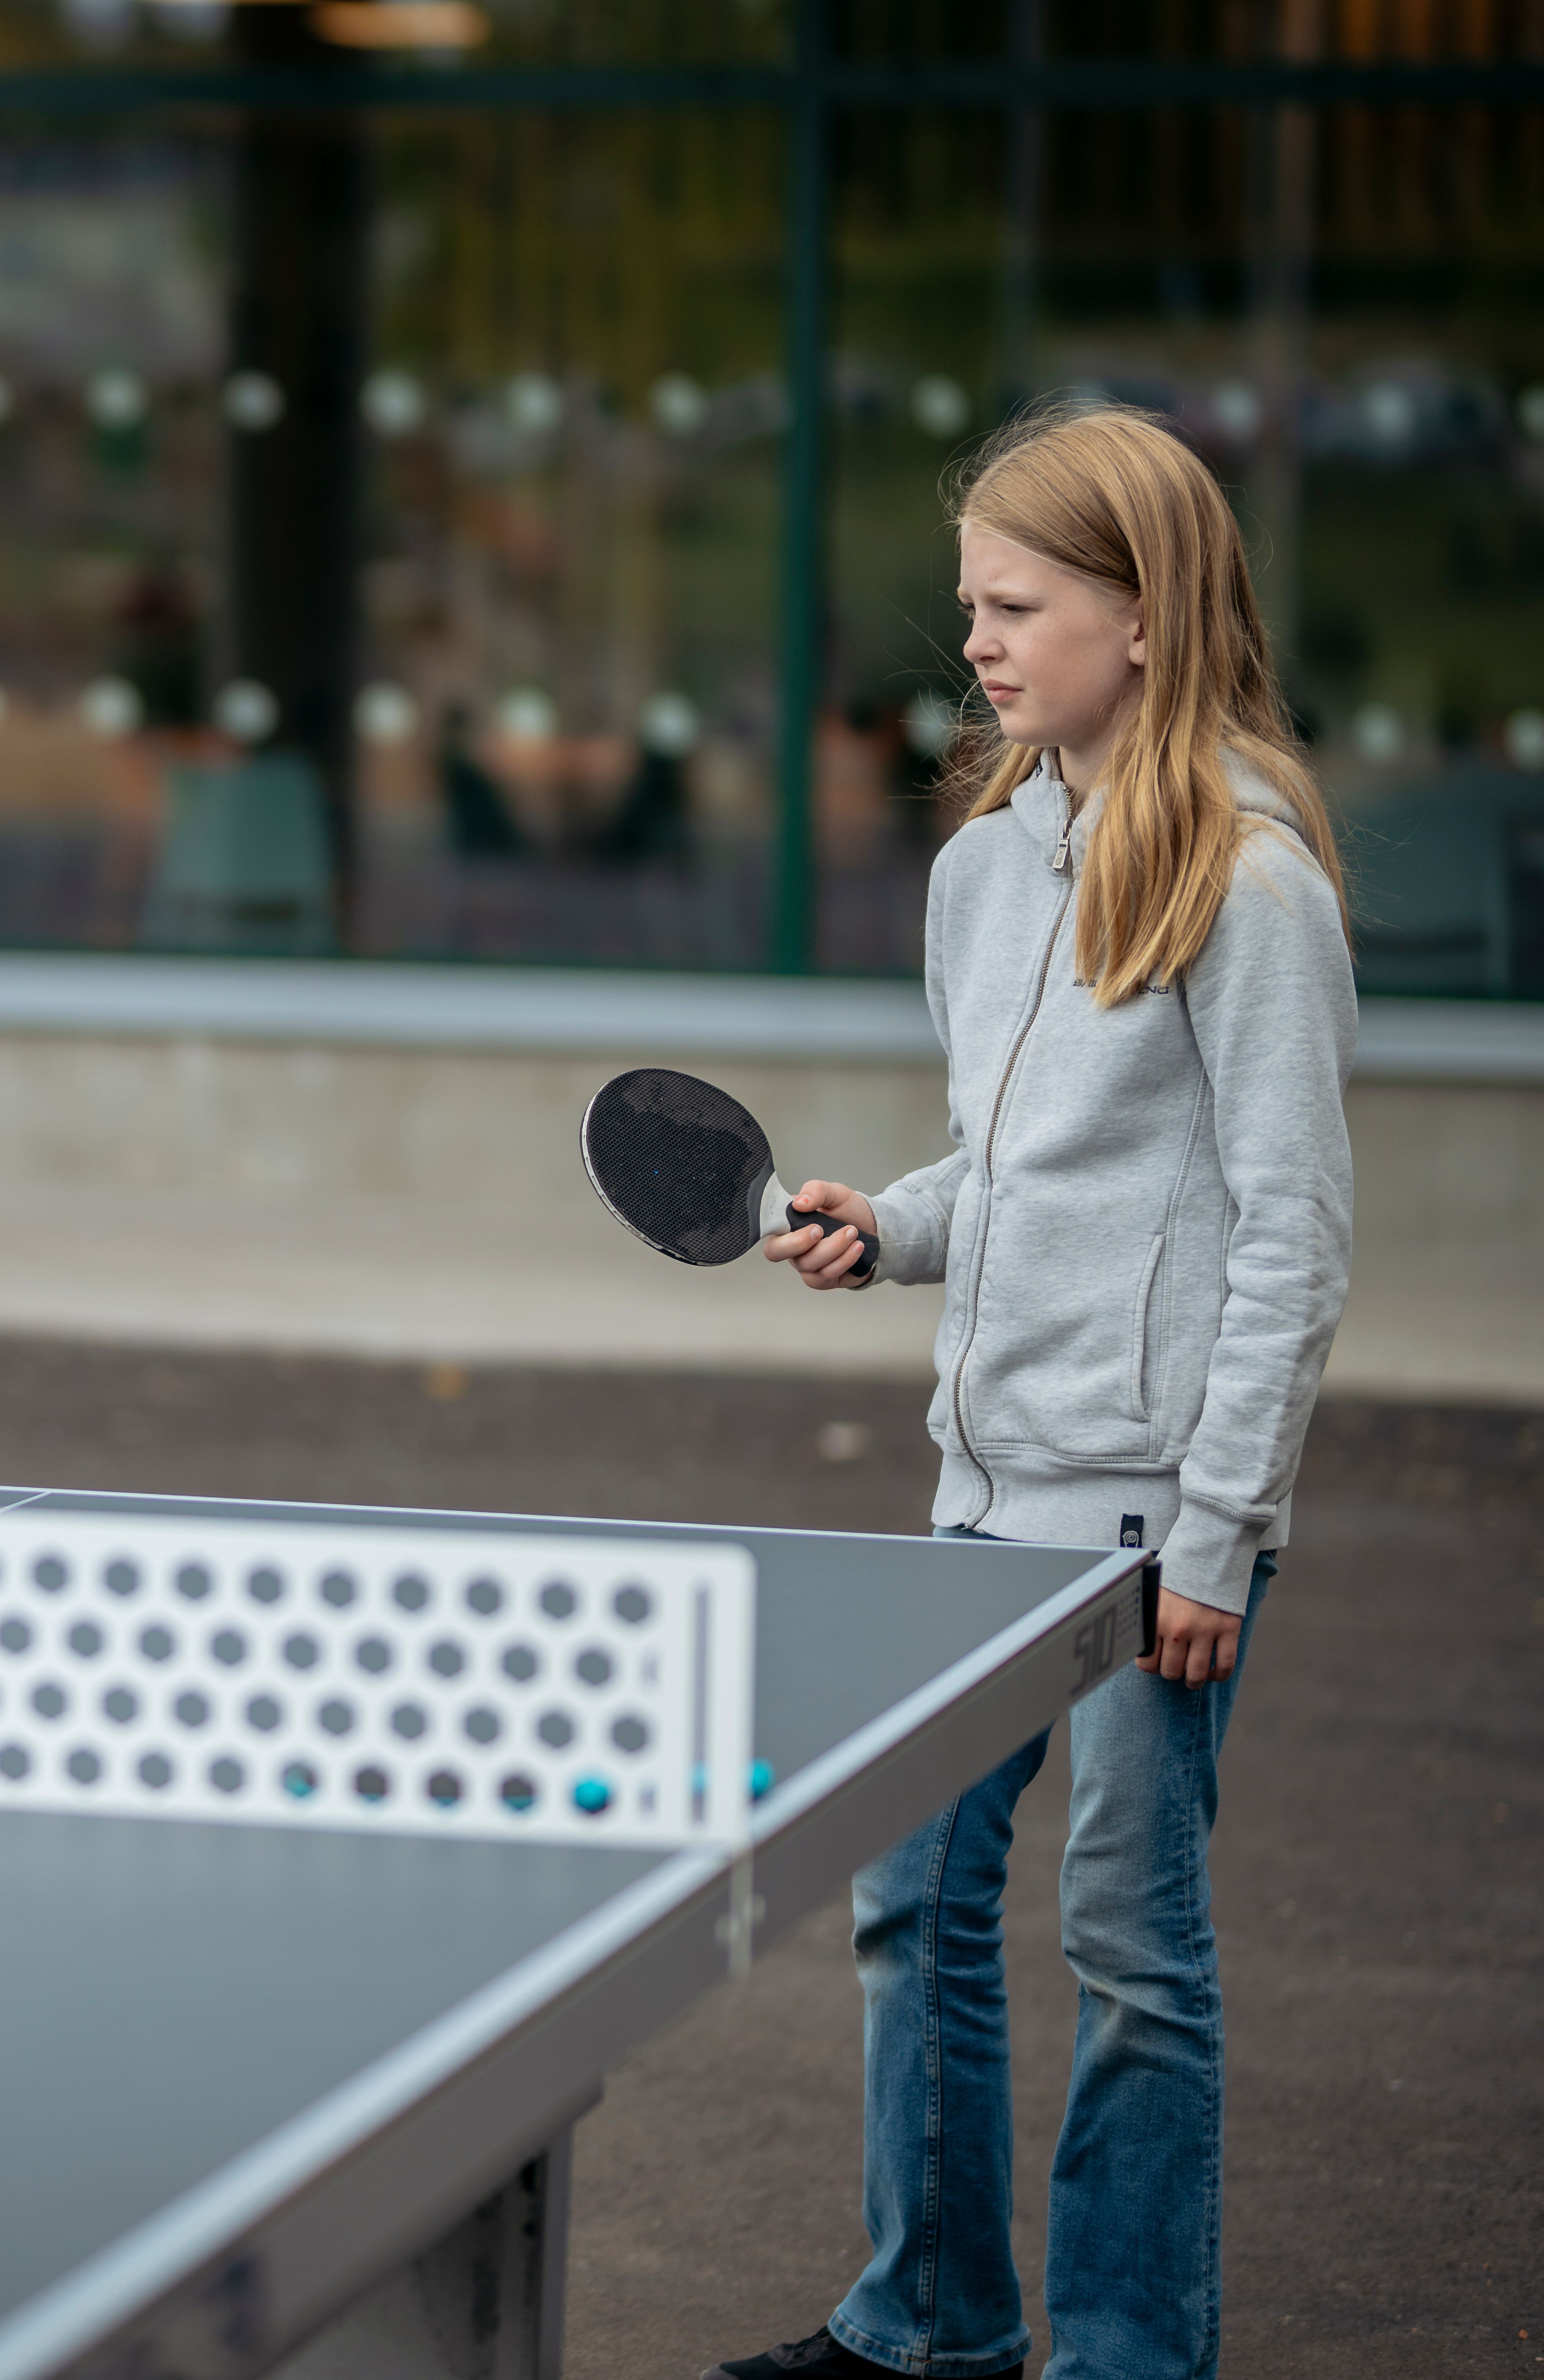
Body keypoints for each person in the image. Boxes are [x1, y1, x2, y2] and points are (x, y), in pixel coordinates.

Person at [716, 401, 1353, 2380]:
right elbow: (1009, 1172)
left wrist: (1219, 1537)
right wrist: (888, 1227)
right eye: (972, 605)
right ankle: (927, 2326)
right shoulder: (985, 866)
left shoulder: (1252, 885)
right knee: (911, 1895)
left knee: (1129, 1947)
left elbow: (1290, 1237)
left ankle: (1130, 2352)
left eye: (1017, 606)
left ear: (1143, 615)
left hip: (1157, 1512)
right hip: (982, 1488)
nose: (976, 643)